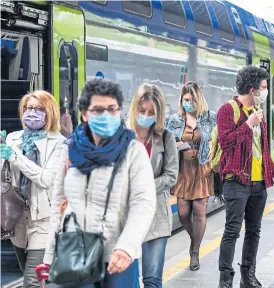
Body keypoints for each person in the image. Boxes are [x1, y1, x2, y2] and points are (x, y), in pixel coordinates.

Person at [43, 78, 157, 287]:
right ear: (85, 114)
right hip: (74, 253)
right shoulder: (69, 150)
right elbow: (57, 205)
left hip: (117, 258)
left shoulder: (133, 152)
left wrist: (127, 247)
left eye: (112, 109)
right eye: (98, 110)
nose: (106, 116)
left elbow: (143, 204)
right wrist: (49, 257)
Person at [217, 66, 274, 288]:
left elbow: (262, 147)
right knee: (232, 231)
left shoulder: (258, 112)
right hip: (236, 181)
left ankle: (248, 276)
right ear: (252, 88)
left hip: (258, 184)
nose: (265, 92)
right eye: (263, 87)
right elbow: (225, 143)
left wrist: (272, 172)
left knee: (253, 231)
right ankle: (225, 279)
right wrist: (247, 125)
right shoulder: (228, 110)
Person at [0, 91, 67, 288]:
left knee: (32, 281)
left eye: (39, 109)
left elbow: (46, 179)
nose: (32, 113)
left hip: (43, 221)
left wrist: (14, 156)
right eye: (29, 108)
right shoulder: (13, 138)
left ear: (50, 112)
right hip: (16, 219)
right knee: (31, 276)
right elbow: (5, 176)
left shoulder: (58, 143)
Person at [128, 83, 179, 287]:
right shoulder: (121, 136)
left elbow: (171, 175)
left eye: (151, 112)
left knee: (152, 280)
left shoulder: (165, 137)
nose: (146, 115)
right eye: (142, 111)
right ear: (134, 108)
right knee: (126, 280)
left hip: (156, 216)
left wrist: (143, 186)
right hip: (125, 218)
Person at [167, 81, 217, 271]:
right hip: (183, 169)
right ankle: (194, 240)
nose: (188, 103)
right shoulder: (175, 120)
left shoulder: (209, 118)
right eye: (185, 100)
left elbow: (216, 140)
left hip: (202, 168)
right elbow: (168, 142)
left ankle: (194, 252)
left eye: (191, 99)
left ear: (199, 99)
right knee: (183, 212)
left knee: (199, 209)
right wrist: (177, 146)